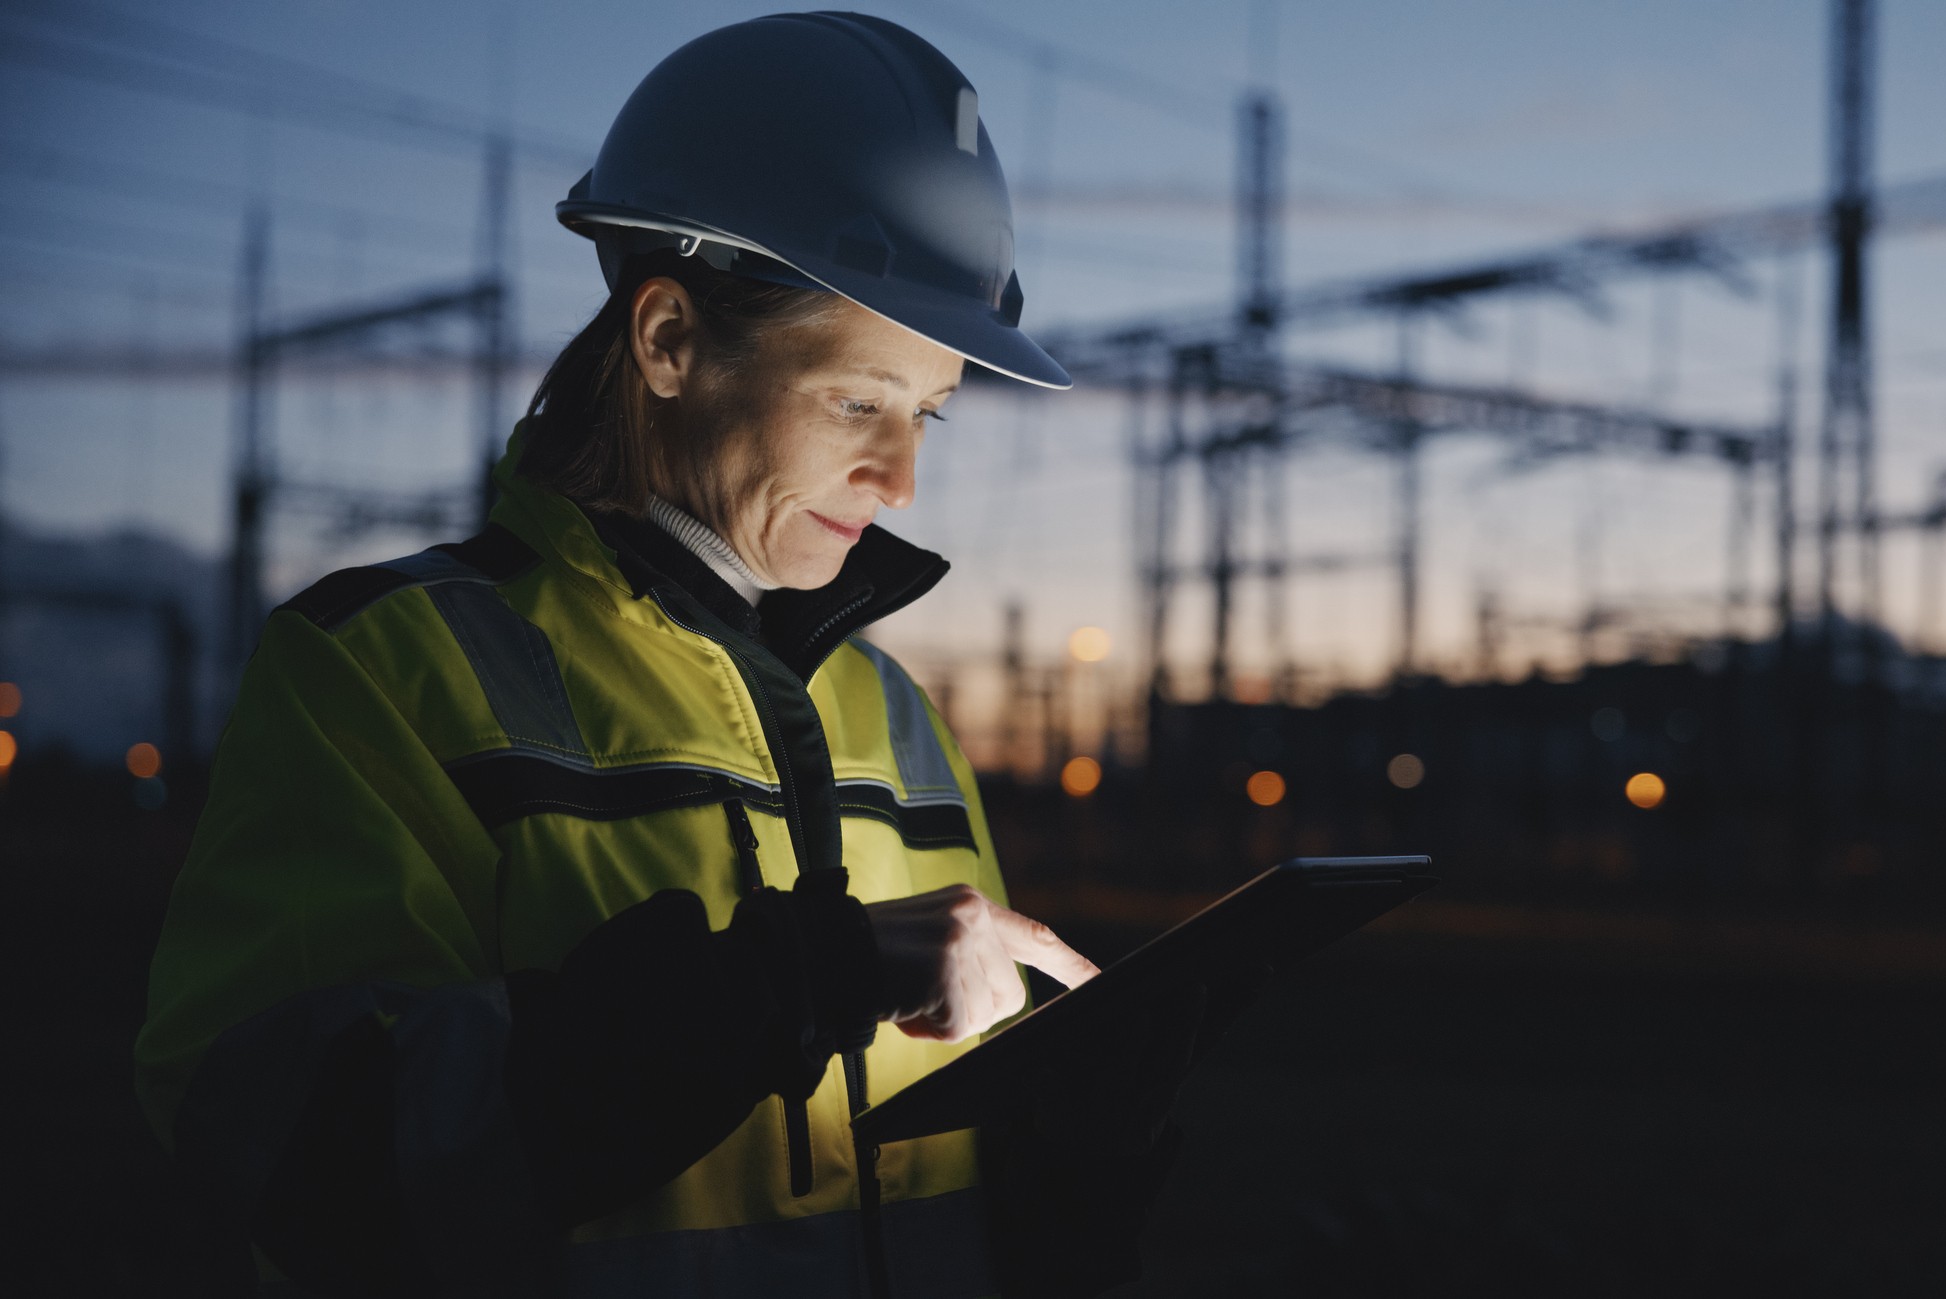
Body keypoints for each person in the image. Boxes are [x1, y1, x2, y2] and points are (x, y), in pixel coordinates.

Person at [135, 13, 1187, 1297]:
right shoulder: (381, 676)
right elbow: (292, 1153)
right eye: (857, 401)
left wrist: (1068, 1151)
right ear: (669, 341)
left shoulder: (894, 715)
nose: (903, 480)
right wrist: (790, 984)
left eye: (926, 416)